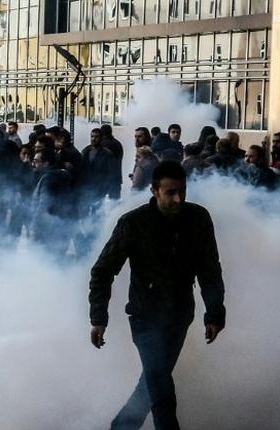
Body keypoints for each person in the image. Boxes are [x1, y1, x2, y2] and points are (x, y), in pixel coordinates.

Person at [89, 160, 226, 430]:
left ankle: (122, 427)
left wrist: (214, 312)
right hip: (145, 316)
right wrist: (98, 317)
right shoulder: (133, 224)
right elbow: (102, 271)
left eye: (182, 191)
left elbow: (209, 269)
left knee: (153, 380)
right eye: (170, 192)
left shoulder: (198, 218)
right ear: (154, 191)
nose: (178, 199)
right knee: (161, 388)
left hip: (179, 315)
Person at [79, 128, 117, 210]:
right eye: (92, 136)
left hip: (100, 188)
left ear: (101, 138)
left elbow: (111, 173)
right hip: (86, 186)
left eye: (96, 137)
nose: (93, 139)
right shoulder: (86, 151)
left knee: (96, 211)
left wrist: (108, 189)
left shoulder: (107, 154)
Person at [100, 124, 123, 199]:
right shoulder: (118, 143)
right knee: (114, 203)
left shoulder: (102, 145)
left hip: (104, 179)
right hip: (116, 178)